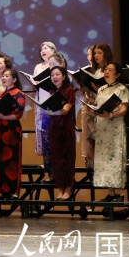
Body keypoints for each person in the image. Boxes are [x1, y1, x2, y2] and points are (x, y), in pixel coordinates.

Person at [93, 62, 129, 202]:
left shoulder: (122, 89)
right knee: (105, 159)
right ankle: (110, 193)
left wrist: (110, 115)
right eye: (106, 69)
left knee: (115, 157)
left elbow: (123, 109)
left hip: (114, 127)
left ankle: (119, 193)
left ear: (118, 74)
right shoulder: (101, 89)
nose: (107, 72)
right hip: (102, 128)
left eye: (110, 70)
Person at [43, 66, 77, 200]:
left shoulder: (69, 90)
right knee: (56, 158)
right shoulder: (51, 92)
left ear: (63, 76)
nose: (54, 77)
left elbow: (65, 110)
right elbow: (48, 110)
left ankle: (68, 188)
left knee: (67, 157)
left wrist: (52, 111)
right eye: (52, 75)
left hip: (65, 126)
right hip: (54, 127)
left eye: (57, 74)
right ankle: (60, 188)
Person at [0, 67, 26, 200]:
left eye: (7, 76)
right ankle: (3, 191)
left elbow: (18, 114)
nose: (4, 78)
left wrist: (3, 116)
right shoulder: (1, 94)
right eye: (3, 76)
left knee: (13, 160)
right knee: (1, 160)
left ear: (14, 79)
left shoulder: (19, 94)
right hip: (1, 128)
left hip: (12, 129)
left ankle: (13, 191)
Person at [81, 43, 114, 173]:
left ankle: (104, 171)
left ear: (106, 54)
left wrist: (98, 89)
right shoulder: (93, 70)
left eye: (99, 53)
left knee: (102, 140)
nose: (96, 56)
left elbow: (114, 90)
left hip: (104, 109)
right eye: (95, 53)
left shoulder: (110, 69)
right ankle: (92, 169)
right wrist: (86, 87)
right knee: (91, 139)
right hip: (91, 106)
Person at [33, 41, 58, 176]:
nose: (43, 50)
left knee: (54, 136)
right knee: (44, 136)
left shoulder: (57, 65)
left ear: (53, 51)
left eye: (46, 48)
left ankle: (56, 170)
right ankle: (49, 170)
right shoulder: (38, 67)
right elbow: (35, 85)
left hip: (54, 102)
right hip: (41, 101)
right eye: (41, 49)